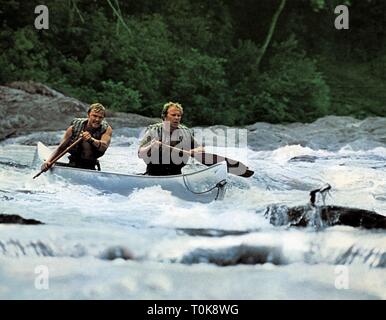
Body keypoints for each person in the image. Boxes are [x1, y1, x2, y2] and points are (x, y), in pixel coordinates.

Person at [41, 103, 113, 171]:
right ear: (88, 115)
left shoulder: (106, 129)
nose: (97, 119)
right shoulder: (74, 128)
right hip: (73, 163)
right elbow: (61, 148)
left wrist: (91, 140)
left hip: (91, 166)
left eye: (100, 117)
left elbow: (104, 146)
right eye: (94, 116)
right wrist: (48, 161)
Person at [138, 102, 204, 176]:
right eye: (173, 115)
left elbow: (201, 148)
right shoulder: (153, 131)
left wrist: (193, 151)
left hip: (176, 174)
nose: (176, 118)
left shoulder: (185, 132)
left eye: (179, 115)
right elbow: (140, 153)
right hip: (153, 174)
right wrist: (151, 146)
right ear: (164, 116)